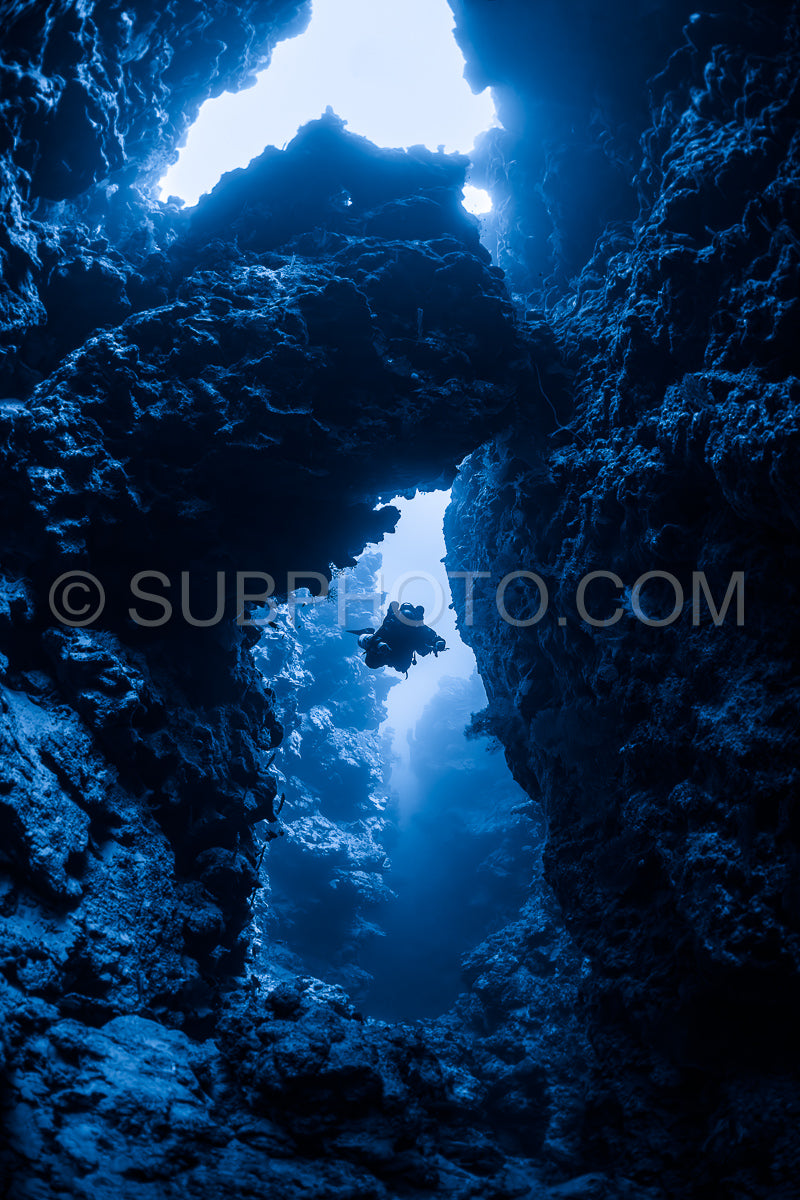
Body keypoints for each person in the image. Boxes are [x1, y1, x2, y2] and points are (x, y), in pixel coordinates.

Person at [350, 602, 446, 675]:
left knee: (401, 666)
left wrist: (439, 642)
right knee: (372, 663)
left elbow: (434, 637)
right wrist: (379, 644)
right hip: (387, 651)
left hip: (397, 657)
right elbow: (376, 639)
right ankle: (366, 636)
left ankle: (370, 640)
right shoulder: (391, 624)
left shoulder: (419, 628)